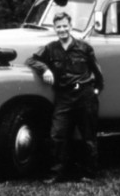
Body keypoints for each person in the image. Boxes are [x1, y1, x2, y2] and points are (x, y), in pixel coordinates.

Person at [26, 12, 104, 183]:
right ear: (55, 28)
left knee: (88, 136)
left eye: (64, 26)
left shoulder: (84, 47)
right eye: (58, 27)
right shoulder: (50, 48)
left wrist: (96, 89)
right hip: (64, 96)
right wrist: (44, 69)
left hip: (85, 94)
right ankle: (56, 173)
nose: (62, 30)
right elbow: (31, 60)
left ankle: (89, 173)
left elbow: (97, 71)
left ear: (70, 26)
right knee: (57, 134)